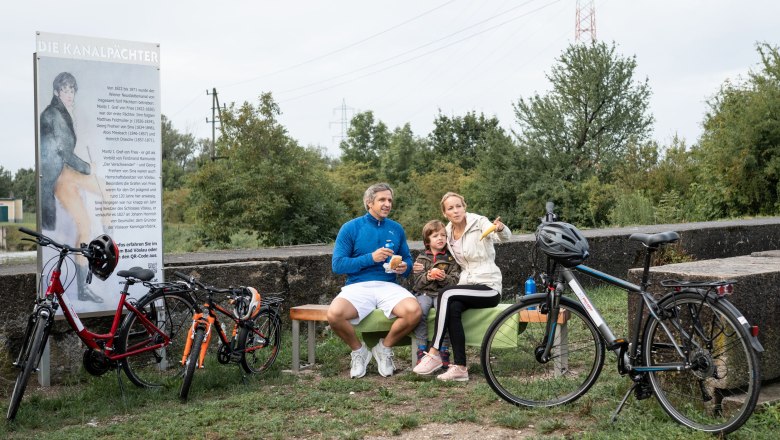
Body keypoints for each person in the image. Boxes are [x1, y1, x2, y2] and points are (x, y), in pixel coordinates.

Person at [413, 192, 511, 381]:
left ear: (464, 207)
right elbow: (435, 249)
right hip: (467, 285)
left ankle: (433, 352)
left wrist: (499, 228)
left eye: (458, 206)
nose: (455, 210)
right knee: (452, 306)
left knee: (446, 294)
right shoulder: (448, 232)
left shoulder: (478, 222)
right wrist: (418, 266)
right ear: (445, 213)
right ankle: (460, 368)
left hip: (489, 286)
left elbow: (504, 237)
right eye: (450, 208)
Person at [327, 183, 422, 378]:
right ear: (369, 202)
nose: (387, 204)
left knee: (414, 311)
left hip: (388, 285)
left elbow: (408, 259)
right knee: (334, 314)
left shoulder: (396, 228)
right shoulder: (350, 228)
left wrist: (405, 267)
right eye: (382, 200)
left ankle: (384, 349)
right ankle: (358, 351)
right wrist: (371, 258)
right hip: (358, 286)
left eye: (389, 200)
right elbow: (337, 265)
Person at [40, 72, 107, 303]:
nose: (69, 95)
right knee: (84, 226)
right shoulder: (53, 114)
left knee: (107, 191)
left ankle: (109, 239)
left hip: (68, 170)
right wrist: (88, 168)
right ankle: (82, 288)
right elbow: (63, 153)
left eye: (72, 90)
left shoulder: (64, 112)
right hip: (60, 176)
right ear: (57, 92)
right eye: (65, 90)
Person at [411, 220, 460, 368]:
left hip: (442, 294)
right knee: (420, 312)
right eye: (435, 236)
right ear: (427, 241)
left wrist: (444, 278)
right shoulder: (421, 259)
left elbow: (455, 281)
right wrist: (428, 276)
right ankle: (421, 348)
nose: (440, 238)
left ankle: (443, 350)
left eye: (443, 235)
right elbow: (417, 283)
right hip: (424, 293)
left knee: (444, 313)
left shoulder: (451, 259)